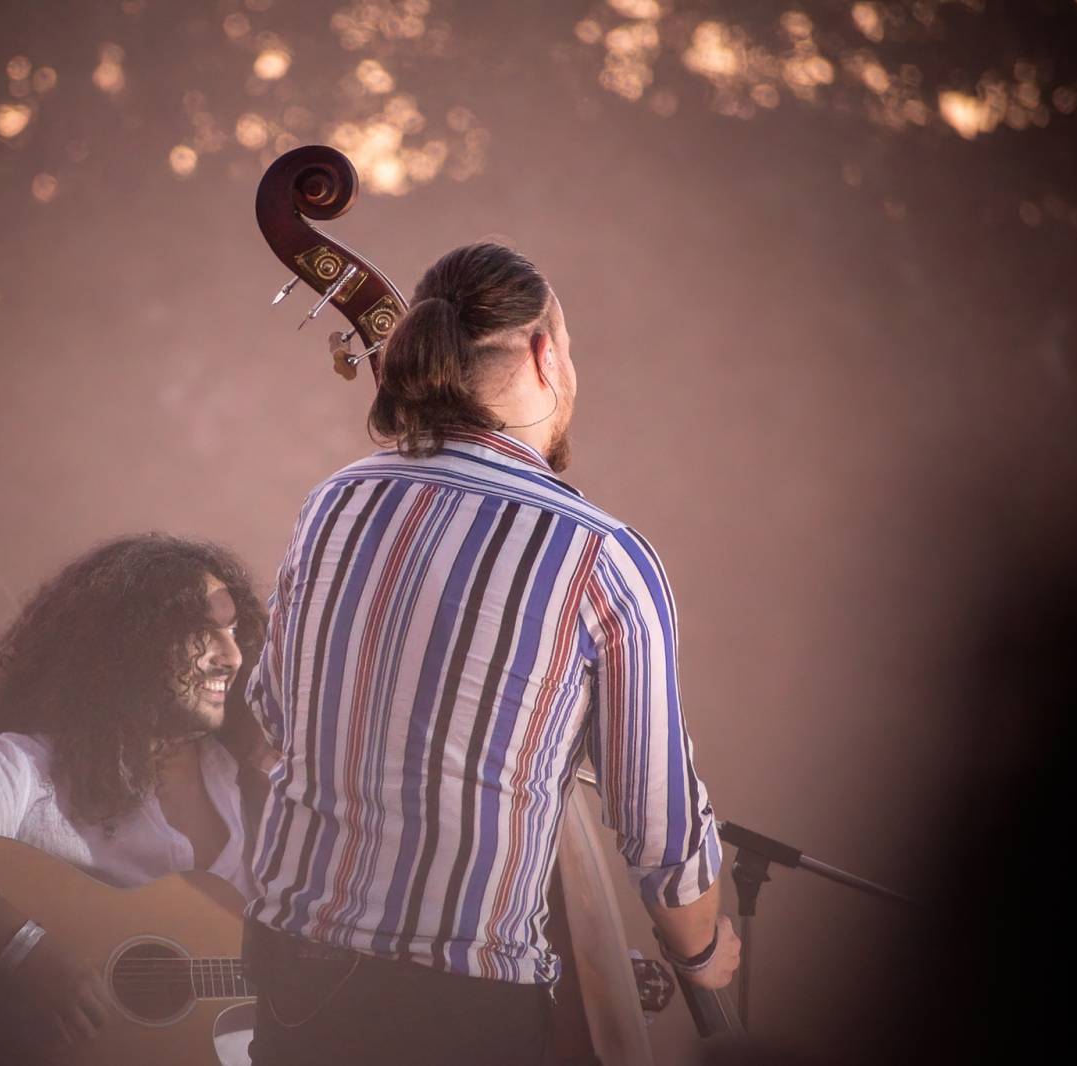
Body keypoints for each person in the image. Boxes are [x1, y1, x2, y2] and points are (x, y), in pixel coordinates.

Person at [242, 242, 741, 1065]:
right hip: (449, 1004)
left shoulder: (332, 503)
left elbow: (272, 711)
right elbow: (660, 833)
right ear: (545, 354)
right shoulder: (601, 557)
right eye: (570, 348)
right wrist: (702, 950)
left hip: (290, 966)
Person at [0, 533, 267, 1048]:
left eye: (233, 630)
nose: (232, 656)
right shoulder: (33, 768)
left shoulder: (256, 784)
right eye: (202, 630)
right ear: (128, 642)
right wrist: (28, 950)